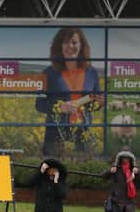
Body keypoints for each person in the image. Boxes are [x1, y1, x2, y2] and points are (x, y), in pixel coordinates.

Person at [36, 27, 103, 156]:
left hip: (83, 130)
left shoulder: (91, 72)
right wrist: (60, 107)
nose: (70, 46)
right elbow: (39, 104)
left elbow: (95, 101)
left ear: (81, 45)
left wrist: (99, 103)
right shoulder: (48, 73)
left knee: (84, 169)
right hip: (55, 132)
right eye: (66, 42)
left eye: (74, 42)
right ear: (59, 46)